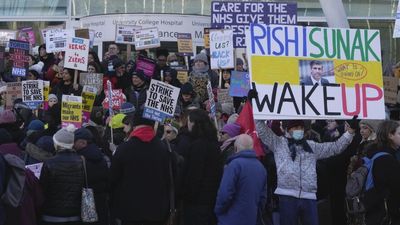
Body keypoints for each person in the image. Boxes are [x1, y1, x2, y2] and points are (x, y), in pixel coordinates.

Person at [255, 118, 356, 225]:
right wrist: (257, 111)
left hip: (309, 196)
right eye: (296, 128)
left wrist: (349, 133)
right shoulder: (278, 143)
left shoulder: (311, 146)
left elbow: (334, 148)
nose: (299, 130)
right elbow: (263, 131)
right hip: (287, 196)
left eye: (301, 128)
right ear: (288, 130)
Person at [110, 111, 171, 225]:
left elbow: (113, 179)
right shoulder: (163, 148)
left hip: (130, 210)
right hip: (157, 210)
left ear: (135, 126)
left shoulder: (124, 148)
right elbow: (169, 178)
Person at [215, 134, 267, 225]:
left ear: (235, 148)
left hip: (230, 219)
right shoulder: (261, 167)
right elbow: (262, 197)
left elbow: (225, 194)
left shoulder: (234, 165)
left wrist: (218, 210)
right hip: (251, 218)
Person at [183, 109, 223, 225]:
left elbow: (194, 175)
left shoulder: (198, 146)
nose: (187, 124)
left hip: (197, 203)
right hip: (211, 199)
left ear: (195, 123)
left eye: (189, 121)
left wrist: (187, 194)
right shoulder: (214, 144)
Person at [40, 125, 84, 225]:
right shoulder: (81, 161)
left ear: (57, 144)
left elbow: (43, 188)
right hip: (75, 213)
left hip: (51, 214)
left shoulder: (49, 163)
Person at [363, 120, 400, 225]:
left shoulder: (376, 152)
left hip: (374, 210)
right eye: (399, 133)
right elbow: (394, 188)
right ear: (390, 135)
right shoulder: (386, 159)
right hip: (386, 213)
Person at [74, 128, 109, 225]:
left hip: (86, 203)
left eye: (74, 141)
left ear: (83, 143)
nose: (72, 144)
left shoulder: (79, 159)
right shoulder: (102, 157)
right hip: (101, 202)